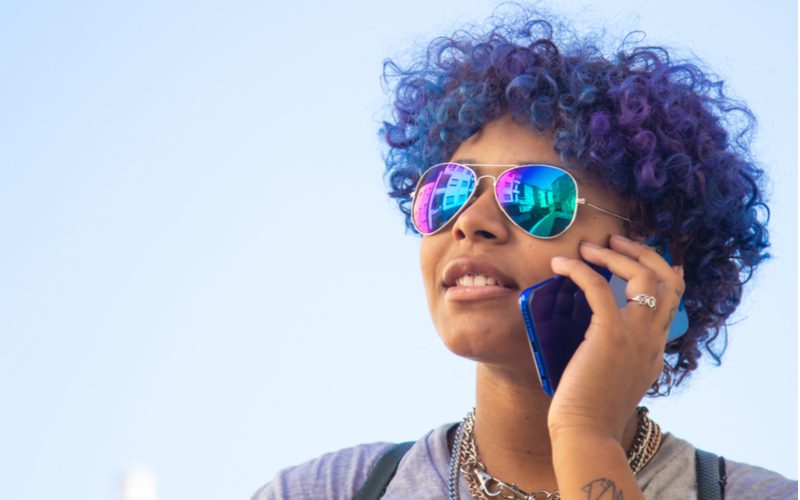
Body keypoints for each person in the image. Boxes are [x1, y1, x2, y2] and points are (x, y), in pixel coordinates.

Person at [252, 7, 797, 500]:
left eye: (534, 196)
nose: (470, 223)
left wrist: (584, 434)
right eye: (448, 191)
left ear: (651, 257)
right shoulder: (320, 492)